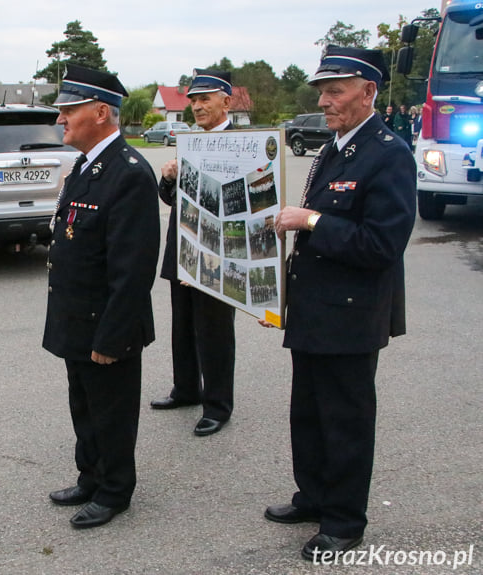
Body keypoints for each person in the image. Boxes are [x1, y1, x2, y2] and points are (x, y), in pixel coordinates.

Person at [263, 46, 416, 561]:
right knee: (306, 413)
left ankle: (345, 521)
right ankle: (314, 497)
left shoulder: (388, 152)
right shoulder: (336, 146)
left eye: (336, 91)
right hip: (313, 306)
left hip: (350, 313)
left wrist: (308, 221)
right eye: (322, 92)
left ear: (368, 91)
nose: (325, 101)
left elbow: (381, 245)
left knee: (345, 419)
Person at [43, 64, 160, 529]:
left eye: (69, 111)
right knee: (83, 404)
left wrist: (112, 338)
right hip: (77, 315)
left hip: (108, 323)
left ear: (101, 113)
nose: (60, 120)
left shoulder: (129, 173)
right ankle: (90, 475)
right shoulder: (87, 166)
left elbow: (132, 271)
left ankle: (115, 490)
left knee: (111, 411)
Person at [149, 69, 237, 437]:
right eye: (194, 101)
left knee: (214, 329)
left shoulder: (241, 143)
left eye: (206, 99)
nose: (198, 107)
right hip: (184, 247)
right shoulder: (190, 141)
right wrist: (169, 178)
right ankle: (186, 389)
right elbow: (171, 199)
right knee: (183, 325)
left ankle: (217, 404)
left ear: (226, 102)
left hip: (218, 250)